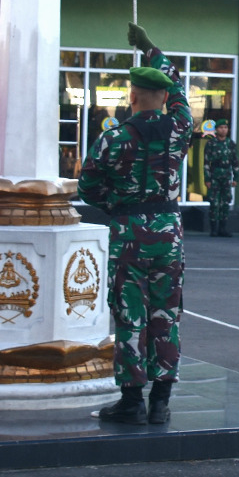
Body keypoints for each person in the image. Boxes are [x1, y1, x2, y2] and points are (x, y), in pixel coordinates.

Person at [81, 23, 193, 426]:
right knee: (166, 315)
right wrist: (151, 49)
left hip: (128, 232)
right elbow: (179, 89)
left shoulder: (113, 138)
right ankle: (160, 402)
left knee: (130, 314)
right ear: (162, 99)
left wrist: (116, 205)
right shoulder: (179, 130)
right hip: (168, 233)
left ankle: (131, 400)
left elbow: (88, 185)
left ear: (132, 98)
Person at [203, 122, 239, 238]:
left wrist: (236, 177)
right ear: (216, 129)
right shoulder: (211, 144)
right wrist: (207, 178)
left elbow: (235, 162)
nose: (223, 130)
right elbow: (206, 163)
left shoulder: (231, 144)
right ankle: (214, 229)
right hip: (215, 175)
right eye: (221, 128)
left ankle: (223, 228)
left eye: (225, 128)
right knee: (214, 202)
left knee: (225, 202)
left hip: (226, 175)